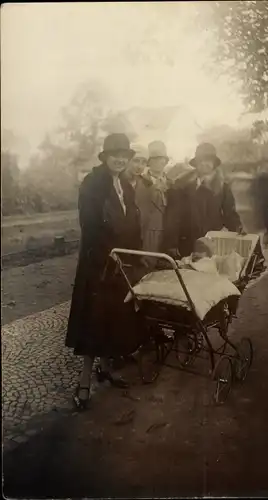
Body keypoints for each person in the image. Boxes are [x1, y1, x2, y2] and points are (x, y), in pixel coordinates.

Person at [65, 133, 145, 410]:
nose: (120, 159)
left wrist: (136, 255)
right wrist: (109, 255)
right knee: (94, 324)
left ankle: (105, 369)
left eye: (125, 155)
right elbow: (90, 226)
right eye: (115, 154)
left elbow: (133, 224)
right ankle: (84, 383)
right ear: (105, 156)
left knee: (112, 320)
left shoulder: (126, 185)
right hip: (98, 265)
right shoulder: (92, 184)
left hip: (121, 264)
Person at [163, 143, 245, 258]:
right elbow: (174, 216)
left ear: (214, 164)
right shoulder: (182, 184)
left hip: (210, 243)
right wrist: (172, 243)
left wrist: (238, 228)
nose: (204, 164)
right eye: (200, 160)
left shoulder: (222, 187)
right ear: (196, 163)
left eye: (208, 161)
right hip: (187, 241)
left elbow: (229, 214)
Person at [135, 140, 169, 267]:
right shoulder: (140, 182)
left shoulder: (172, 184)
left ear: (166, 161)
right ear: (149, 162)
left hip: (167, 233)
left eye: (161, 159)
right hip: (148, 233)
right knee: (148, 267)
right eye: (154, 159)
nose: (159, 162)